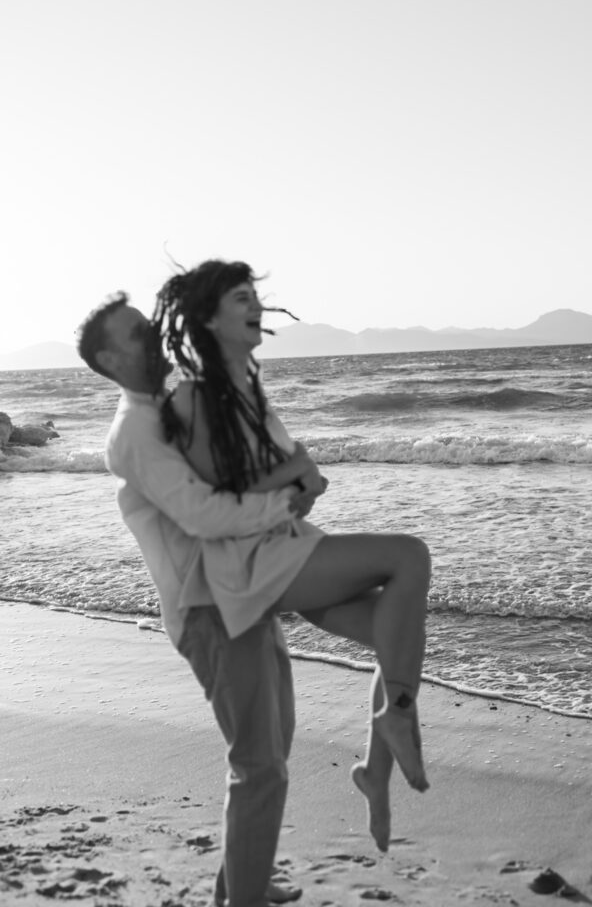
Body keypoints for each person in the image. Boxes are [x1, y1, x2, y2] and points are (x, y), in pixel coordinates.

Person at [151, 259, 432, 795]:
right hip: (247, 564)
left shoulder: (246, 392)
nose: (256, 307)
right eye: (240, 299)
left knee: (396, 631)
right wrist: (295, 474)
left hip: (286, 544)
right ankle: (396, 716)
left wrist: (301, 486)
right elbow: (212, 498)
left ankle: (375, 773)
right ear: (209, 319)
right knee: (408, 557)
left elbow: (275, 487)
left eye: (255, 296)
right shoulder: (194, 396)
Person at [77, 293, 307, 907]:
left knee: (274, 745)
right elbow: (202, 514)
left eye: (151, 326)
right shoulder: (136, 431)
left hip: (238, 591)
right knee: (259, 764)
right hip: (208, 612)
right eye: (136, 334)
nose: (153, 336)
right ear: (107, 357)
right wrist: (285, 502)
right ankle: (242, 896)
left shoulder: (174, 406)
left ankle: (240, 879)